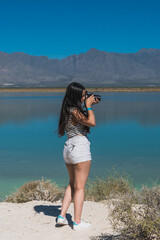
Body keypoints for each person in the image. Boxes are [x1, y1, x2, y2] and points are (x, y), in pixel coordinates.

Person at [56, 82, 99, 231]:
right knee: (80, 187)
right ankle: (77, 222)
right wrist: (89, 106)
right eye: (83, 94)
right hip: (79, 147)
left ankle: (61, 216)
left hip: (68, 147)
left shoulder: (67, 109)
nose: (85, 97)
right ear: (76, 96)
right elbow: (92, 122)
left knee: (72, 184)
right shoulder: (75, 111)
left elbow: (83, 120)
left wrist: (86, 106)